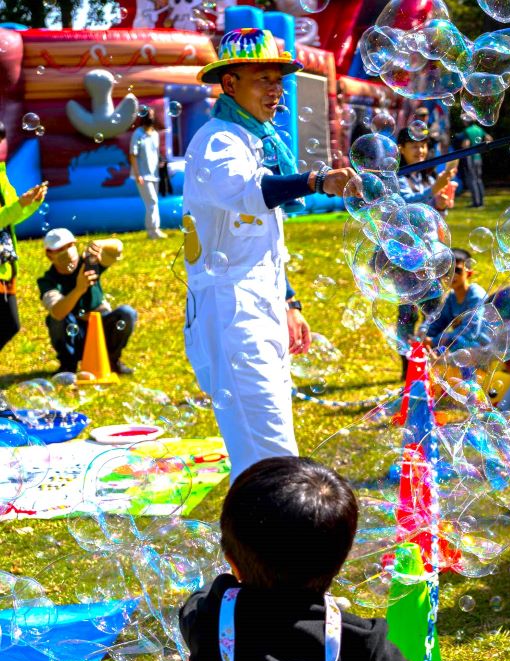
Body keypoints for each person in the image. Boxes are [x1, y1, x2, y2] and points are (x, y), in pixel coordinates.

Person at [184, 28, 355, 479]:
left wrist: (289, 301)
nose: (276, 89)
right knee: (270, 450)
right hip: (231, 313)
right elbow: (247, 194)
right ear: (230, 83)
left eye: (279, 80)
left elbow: (259, 242)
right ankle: (275, 541)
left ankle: (262, 542)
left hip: (256, 305)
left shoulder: (252, 140)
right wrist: (315, 181)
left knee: (269, 446)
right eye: (263, 78)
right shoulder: (217, 140)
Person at [179, 456, 412, 661]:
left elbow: (198, 601)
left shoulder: (208, 620)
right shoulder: (363, 643)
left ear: (232, 562)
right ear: (339, 563)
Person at [394, 129, 458, 379]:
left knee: (434, 311)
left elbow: (433, 219)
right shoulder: (397, 177)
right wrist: (434, 191)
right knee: (407, 315)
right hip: (405, 259)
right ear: (400, 148)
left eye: (423, 146)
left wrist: (442, 206)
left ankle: (428, 366)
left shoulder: (428, 175)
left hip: (431, 257)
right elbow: (406, 206)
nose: (420, 151)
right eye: (413, 146)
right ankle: (407, 371)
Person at [37, 228, 136, 375]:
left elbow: (118, 248)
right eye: (59, 250)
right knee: (55, 319)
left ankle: (112, 360)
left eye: (69, 246)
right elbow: (57, 312)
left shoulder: (90, 263)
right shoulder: (48, 280)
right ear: (49, 254)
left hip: (100, 327)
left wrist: (99, 244)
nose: (67, 252)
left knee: (127, 313)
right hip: (75, 334)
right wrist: (79, 289)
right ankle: (68, 365)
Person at [0, 120, 47, 353]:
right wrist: (19, 204)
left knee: (10, 325)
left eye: (2, 138)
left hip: (6, 265)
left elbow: (10, 218)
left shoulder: (2, 176)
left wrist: (32, 203)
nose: (1, 145)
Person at [424, 248, 486, 348]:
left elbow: (470, 331)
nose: (452, 275)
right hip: (464, 346)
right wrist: (424, 335)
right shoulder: (451, 298)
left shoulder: (476, 296)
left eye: (457, 270)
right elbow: (438, 321)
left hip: (480, 348)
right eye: (447, 270)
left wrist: (434, 341)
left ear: (469, 273)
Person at [129, 107, 166, 239]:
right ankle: (153, 231)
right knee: (152, 201)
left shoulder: (155, 134)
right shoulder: (137, 134)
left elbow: (156, 154)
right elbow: (133, 155)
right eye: (148, 115)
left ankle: (153, 230)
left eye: (152, 115)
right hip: (142, 175)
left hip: (154, 175)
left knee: (152, 203)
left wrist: (161, 163)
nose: (150, 117)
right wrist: (138, 174)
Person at [455, 116, 491, 208]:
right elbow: (489, 138)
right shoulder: (479, 129)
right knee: (478, 179)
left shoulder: (467, 131)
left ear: (467, 121)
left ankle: (476, 203)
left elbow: (465, 145)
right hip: (478, 157)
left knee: (472, 180)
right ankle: (481, 202)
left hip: (470, 158)